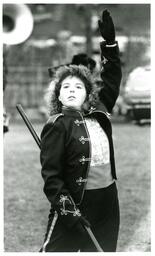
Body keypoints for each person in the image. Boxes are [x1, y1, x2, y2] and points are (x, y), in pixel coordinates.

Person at [40, 10, 122, 252]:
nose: (72, 89)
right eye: (65, 86)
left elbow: (112, 76)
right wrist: (68, 213)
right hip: (75, 202)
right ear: (58, 95)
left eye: (78, 86)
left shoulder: (100, 108)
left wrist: (109, 45)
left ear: (88, 93)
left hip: (108, 201)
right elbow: (52, 179)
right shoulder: (57, 124)